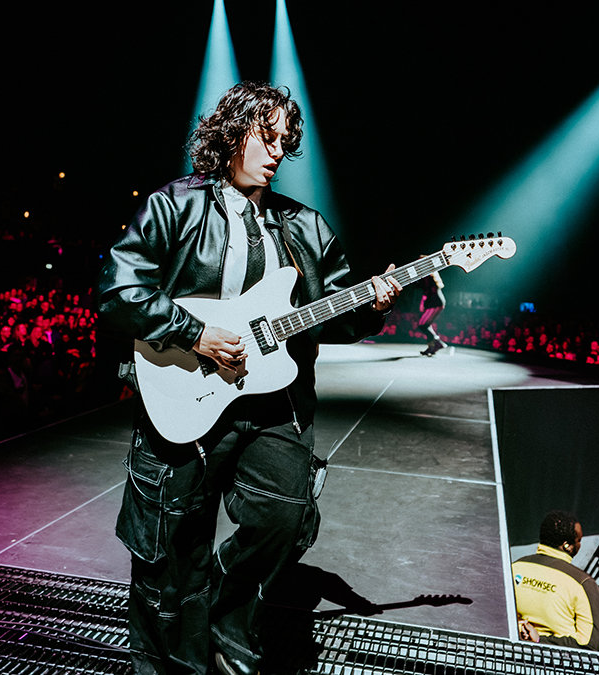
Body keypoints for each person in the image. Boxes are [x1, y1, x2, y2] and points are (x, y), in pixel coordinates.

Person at [98, 82, 401, 675]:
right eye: (265, 136)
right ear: (231, 133)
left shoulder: (304, 227)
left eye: (285, 141)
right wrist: (192, 332)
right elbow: (118, 291)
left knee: (285, 517)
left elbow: (332, 317)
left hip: (275, 402)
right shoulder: (173, 206)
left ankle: (229, 633)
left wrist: (372, 307)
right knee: (171, 546)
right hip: (185, 389)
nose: (276, 151)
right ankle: (168, 662)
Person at [512, 511, 599, 651]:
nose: (580, 545)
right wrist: (539, 641)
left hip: (516, 653)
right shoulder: (584, 583)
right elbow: (590, 644)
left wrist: (520, 630)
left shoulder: (515, 568)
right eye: (579, 540)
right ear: (567, 545)